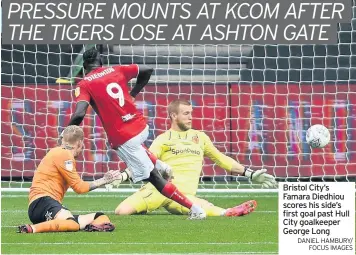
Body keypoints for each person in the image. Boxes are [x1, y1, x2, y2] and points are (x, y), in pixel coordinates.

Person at [66, 48, 206, 219]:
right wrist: (133, 94)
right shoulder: (116, 70)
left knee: (154, 179)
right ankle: (163, 166)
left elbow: (80, 113)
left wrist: (65, 134)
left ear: (84, 66)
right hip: (140, 126)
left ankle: (195, 209)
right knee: (137, 148)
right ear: (101, 61)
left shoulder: (84, 84)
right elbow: (147, 70)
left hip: (124, 137)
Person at [115, 99, 277, 217]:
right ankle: (144, 207)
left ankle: (228, 212)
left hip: (184, 196)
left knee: (207, 209)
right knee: (121, 212)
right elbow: (145, 160)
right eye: (186, 113)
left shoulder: (200, 137)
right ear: (174, 116)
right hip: (161, 190)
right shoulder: (164, 138)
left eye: (191, 113)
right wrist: (123, 175)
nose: (190, 117)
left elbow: (221, 159)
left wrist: (250, 174)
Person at [18, 125, 121, 233]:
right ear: (79, 143)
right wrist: (105, 180)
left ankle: (91, 227)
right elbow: (79, 188)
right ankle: (31, 228)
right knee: (73, 224)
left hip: (42, 205)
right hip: (42, 202)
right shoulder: (64, 154)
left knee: (99, 217)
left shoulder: (59, 152)